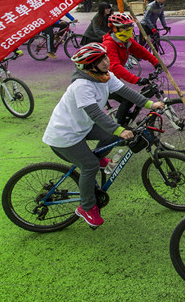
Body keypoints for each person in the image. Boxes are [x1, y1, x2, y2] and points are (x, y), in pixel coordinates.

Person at [42, 43, 166, 227]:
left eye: (105, 57)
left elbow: (125, 91)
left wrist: (149, 104)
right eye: (101, 61)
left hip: (82, 127)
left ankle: (98, 158)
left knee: (113, 136)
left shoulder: (104, 76)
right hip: (64, 136)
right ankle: (86, 207)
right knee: (89, 165)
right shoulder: (82, 85)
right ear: (90, 66)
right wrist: (120, 130)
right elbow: (95, 113)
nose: (107, 62)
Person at [101, 13, 162, 125]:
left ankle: (124, 120)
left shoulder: (126, 41)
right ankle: (119, 129)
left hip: (113, 79)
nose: (128, 29)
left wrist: (156, 62)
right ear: (115, 28)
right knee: (129, 98)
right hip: (103, 82)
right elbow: (115, 67)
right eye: (124, 27)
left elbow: (141, 51)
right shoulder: (109, 44)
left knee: (129, 100)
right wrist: (136, 80)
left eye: (129, 26)